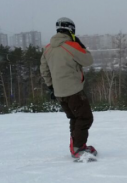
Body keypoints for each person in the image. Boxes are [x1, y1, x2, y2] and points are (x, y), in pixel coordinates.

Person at [40, 17, 97, 159]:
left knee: (75, 118)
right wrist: (79, 44)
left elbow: (44, 70)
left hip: (59, 92)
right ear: (71, 30)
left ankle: (76, 146)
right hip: (74, 91)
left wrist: (51, 87)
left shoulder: (48, 48)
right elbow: (88, 60)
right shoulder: (71, 46)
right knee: (85, 118)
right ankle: (78, 148)